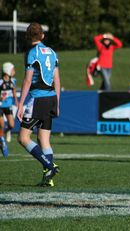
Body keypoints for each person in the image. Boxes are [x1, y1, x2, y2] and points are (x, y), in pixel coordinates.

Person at [17, 22, 60, 187]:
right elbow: (57, 79)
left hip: (37, 99)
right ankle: (47, 179)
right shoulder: (52, 52)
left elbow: (28, 80)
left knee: (22, 138)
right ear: (42, 35)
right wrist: (58, 103)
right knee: (44, 139)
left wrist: (21, 103)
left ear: (28, 37)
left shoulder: (32, 53)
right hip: (51, 99)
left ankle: (49, 166)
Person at [0, 62, 18, 157]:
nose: (14, 71)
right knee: (2, 125)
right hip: (0, 106)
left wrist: (17, 102)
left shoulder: (13, 81)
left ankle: (5, 133)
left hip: (8, 106)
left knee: (11, 125)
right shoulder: (0, 82)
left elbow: (14, 92)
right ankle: (2, 141)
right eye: (12, 69)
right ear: (7, 71)